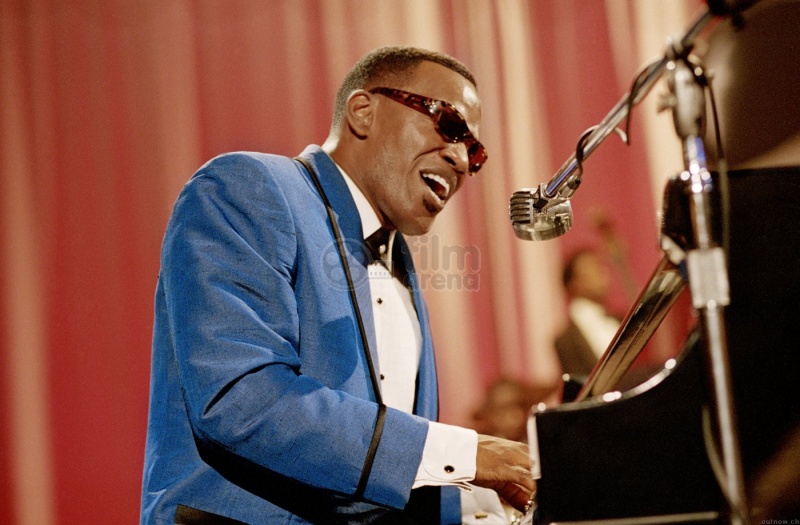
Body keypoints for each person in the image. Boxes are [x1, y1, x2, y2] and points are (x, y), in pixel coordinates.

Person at [140, 46, 535, 524]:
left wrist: (489, 503)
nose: (460, 159)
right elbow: (241, 399)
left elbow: (369, 474)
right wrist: (464, 452)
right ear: (363, 111)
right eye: (449, 125)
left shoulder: (401, 263)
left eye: (475, 152)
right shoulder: (247, 187)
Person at [553, 248, 621, 378]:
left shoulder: (619, 319)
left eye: (599, 266)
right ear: (573, 284)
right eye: (591, 268)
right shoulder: (565, 341)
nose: (601, 272)